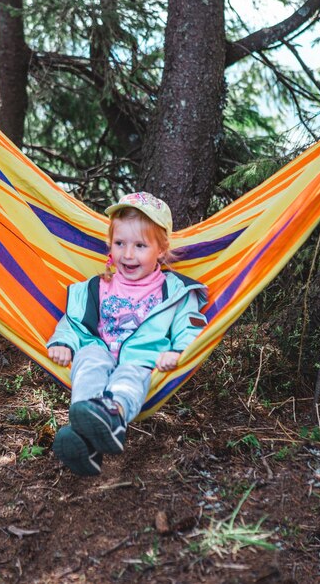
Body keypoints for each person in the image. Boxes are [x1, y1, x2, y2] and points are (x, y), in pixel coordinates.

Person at [46, 191, 207, 476]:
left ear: (161, 249)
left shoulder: (175, 291)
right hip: (101, 351)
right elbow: (75, 321)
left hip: (142, 359)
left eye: (140, 246)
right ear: (110, 245)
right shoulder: (98, 286)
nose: (128, 254)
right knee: (89, 358)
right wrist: (64, 342)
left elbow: (190, 325)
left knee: (129, 375)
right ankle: (88, 440)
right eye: (120, 243)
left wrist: (179, 350)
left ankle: (113, 418)